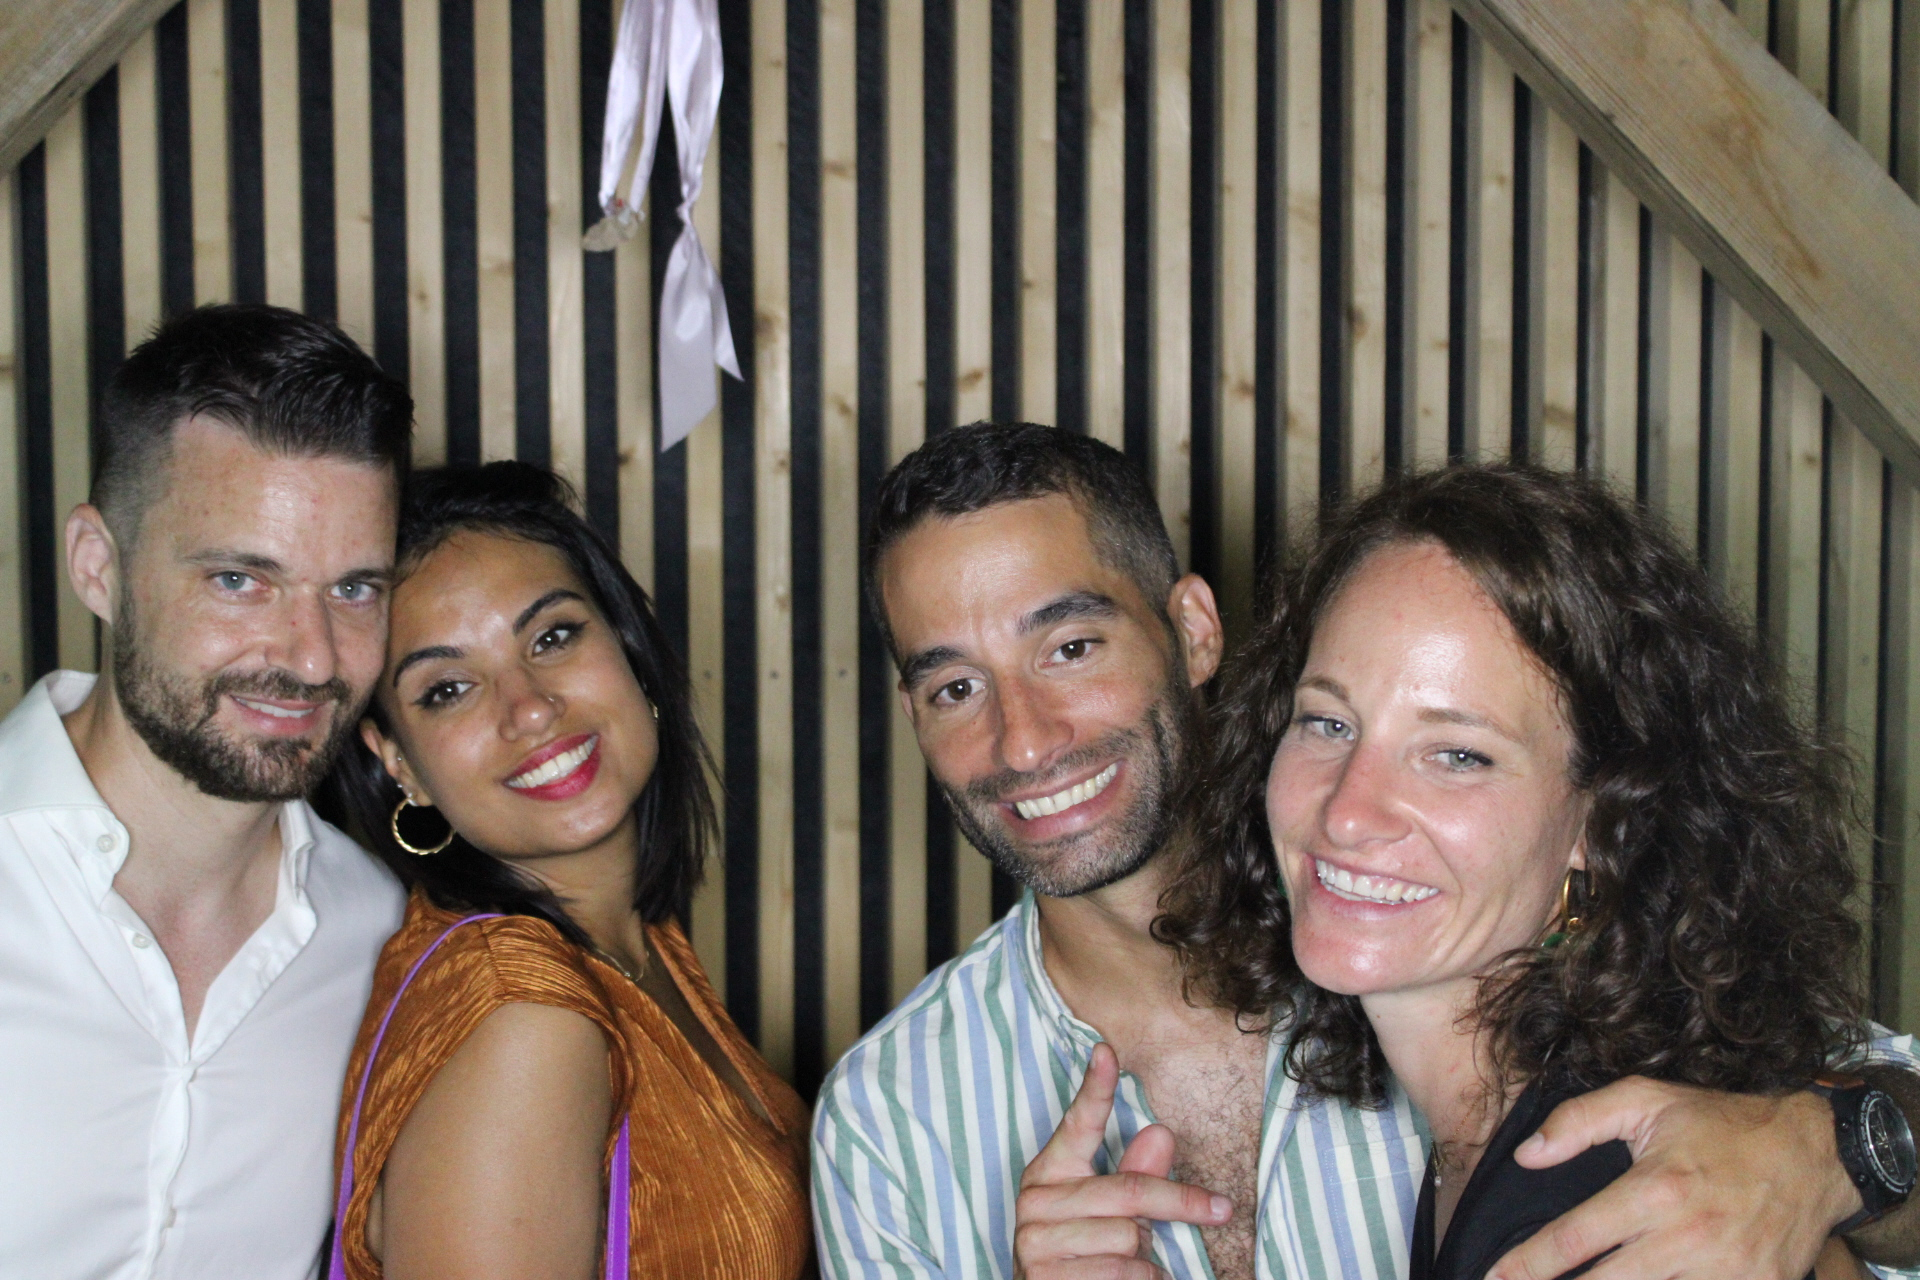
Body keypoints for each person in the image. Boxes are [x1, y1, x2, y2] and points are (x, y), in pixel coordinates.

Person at [810, 423, 1920, 1280]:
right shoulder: (891, 1120)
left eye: (1070, 645)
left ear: (1195, 631)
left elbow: (1860, 1094)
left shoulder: (1436, 956)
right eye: (954, 686)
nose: (1024, 739)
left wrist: (1829, 1148)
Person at [1158, 463, 1919, 1280]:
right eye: (1328, 722)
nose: (1347, 812)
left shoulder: (1598, 1202)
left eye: (1457, 755)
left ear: (1603, 819)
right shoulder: (1530, 1128)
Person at [321, 461, 811, 1280]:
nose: (530, 707)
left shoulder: (633, 939)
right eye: (448, 688)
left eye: (552, 637)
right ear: (397, 761)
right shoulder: (522, 1017)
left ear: (628, 649)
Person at [0, 304, 411, 1278]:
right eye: (239, 579)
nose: (312, 657)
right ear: (99, 567)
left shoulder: (378, 931)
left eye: (354, 589)